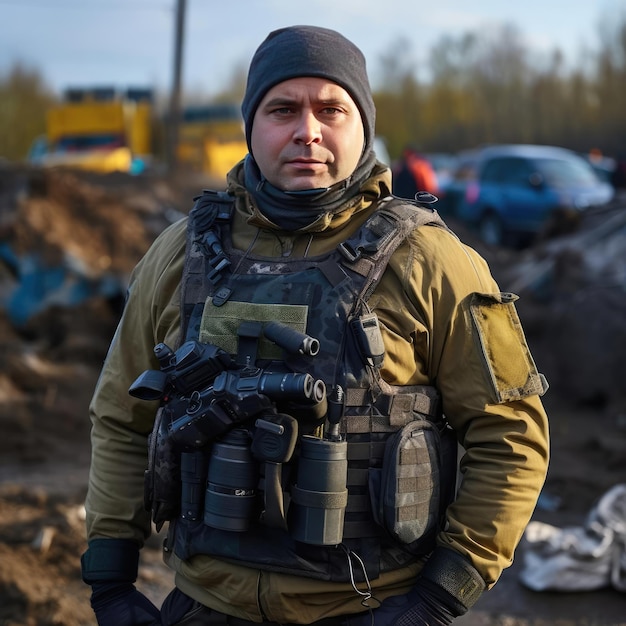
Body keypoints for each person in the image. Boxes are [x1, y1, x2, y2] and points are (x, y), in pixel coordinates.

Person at [80, 25, 550, 626]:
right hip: (206, 605)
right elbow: (121, 416)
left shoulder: (434, 262)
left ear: (362, 126)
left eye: (331, 109)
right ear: (251, 125)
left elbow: (510, 432)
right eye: (282, 109)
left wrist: (440, 596)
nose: (308, 131)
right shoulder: (180, 253)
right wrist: (111, 580)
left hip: (371, 605)